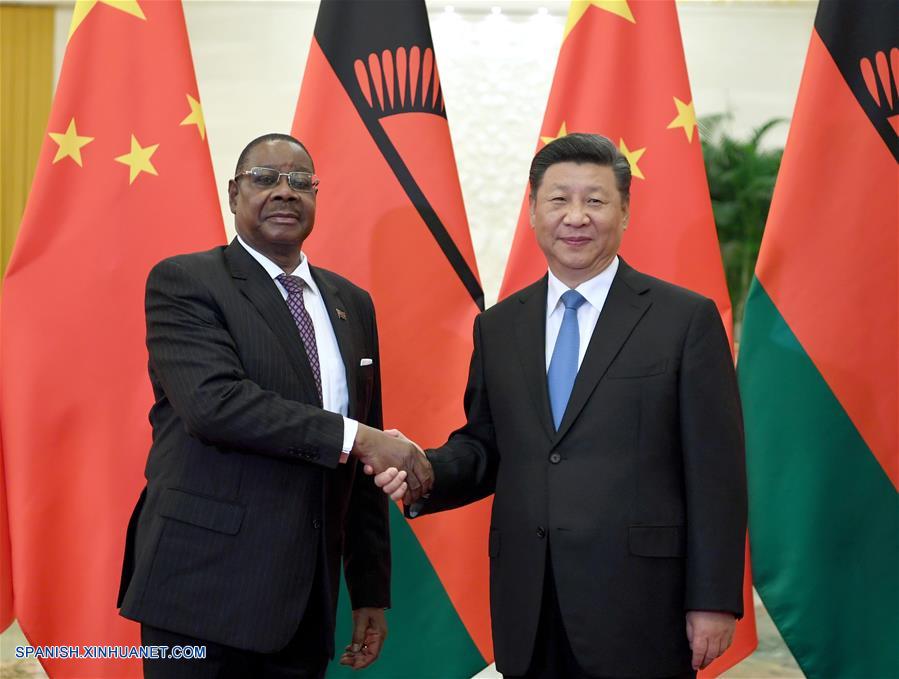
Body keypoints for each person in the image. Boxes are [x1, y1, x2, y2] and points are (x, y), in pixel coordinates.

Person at [376, 133, 747, 678]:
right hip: (530, 604)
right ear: (532, 211)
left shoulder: (684, 320)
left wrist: (714, 599)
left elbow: (716, 473)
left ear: (625, 212)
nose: (576, 216)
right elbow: (487, 445)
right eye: (558, 199)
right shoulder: (499, 326)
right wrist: (425, 469)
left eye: (595, 200)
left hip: (642, 606)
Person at [118, 133, 428, 678]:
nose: (285, 191)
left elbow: (363, 467)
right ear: (233, 193)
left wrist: (368, 590)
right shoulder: (187, 281)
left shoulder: (351, 304)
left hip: (305, 603)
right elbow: (216, 405)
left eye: (300, 181)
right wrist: (359, 437)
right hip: (200, 591)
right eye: (264, 179)